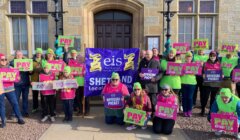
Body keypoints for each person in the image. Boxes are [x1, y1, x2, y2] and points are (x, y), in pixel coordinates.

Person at [0, 53, 25, 128]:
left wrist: (18, 79)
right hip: (0, 89)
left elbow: (16, 78)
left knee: (15, 103)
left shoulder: (11, 68)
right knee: (1, 106)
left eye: (5, 59)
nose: (4, 61)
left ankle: (19, 118)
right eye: (2, 59)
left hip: (10, 89)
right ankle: (3, 121)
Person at [63, 46, 89, 115]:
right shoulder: (72, 62)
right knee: (78, 98)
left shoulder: (84, 64)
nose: (78, 59)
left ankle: (86, 110)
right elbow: (65, 60)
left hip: (83, 83)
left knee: (85, 97)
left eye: (80, 58)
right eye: (78, 58)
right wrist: (66, 51)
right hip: (75, 83)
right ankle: (80, 110)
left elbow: (88, 72)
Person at [138, 50, 162, 115]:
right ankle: (144, 115)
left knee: (153, 102)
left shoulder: (156, 62)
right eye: (146, 54)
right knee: (144, 101)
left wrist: (156, 78)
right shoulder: (142, 62)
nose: (147, 56)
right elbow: (138, 71)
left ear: (152, 55)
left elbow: (161, 72)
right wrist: (139, 74)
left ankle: (153, 116)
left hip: (153, 86)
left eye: (148, 54)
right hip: (144, 85)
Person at [201, 51, 223, 116]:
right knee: (205, 98)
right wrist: (203, 75)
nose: (212, 57)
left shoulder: (219, 64)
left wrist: (222, 75)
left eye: (214, 56)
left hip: (216, 85)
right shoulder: (205, 64)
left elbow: (221, 72)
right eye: (211, 56)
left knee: (213, 99)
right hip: (207, 84)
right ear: (209, 56)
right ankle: (203, 110)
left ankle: (211, 111)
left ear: (216, 56)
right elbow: (202, 72)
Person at [9, 50, 31, 117]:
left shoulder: (27, 62)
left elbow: (30, 73)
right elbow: (9, 72)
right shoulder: (12, 63)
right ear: (15, 56)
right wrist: (11, 68)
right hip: (17, 84)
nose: (19, 56)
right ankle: (14, 113)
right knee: (15, 99)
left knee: (25, 99)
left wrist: (30, 71)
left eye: (20, 55)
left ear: (22, 55)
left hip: (25, 83)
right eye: (17, 55)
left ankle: (25, 112)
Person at [181, 51, 196, 117]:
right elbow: (179, 73)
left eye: (190, 57)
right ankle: (184, 110)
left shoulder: (194, 64)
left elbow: (198, 72)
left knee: (190, 98)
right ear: (185, 58)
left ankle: (189, 111)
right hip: (183, 82)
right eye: (187, 57)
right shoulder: (182, 64)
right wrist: (182, 72)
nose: (188, 58)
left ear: (192, 57)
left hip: (192, 83)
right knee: (184, 97)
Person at [31, 48, 44, 113]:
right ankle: (35, 107)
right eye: (37, 53)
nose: (38, 54)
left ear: (41, 53)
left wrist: (41, 69)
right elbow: (29, 72)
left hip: (42, 80)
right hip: (34, 80)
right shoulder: (32, 60)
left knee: (42, 95)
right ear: (35, 53)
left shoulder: (44, 60)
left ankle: (43, 107)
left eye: (40, 53)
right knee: (35, 95)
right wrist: (32, 71)